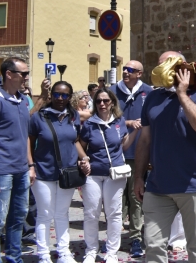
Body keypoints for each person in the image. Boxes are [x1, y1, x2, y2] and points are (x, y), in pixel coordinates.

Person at [133, 51, 196, 263]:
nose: (162, 69)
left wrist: (182, 94)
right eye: (159, 65)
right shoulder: (152, 97)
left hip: (192, 184)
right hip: (159, 185)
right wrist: (139, 177)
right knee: (153, 244)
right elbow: (144, 141)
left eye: (167, 64)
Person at [76, 88, 138, 263]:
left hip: (115, 174)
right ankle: (91, 250)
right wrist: (84, 159)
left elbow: (123, 146)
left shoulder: (119, 121)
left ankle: (111, 252)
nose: (102, 104)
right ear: (94, 104)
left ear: (112, 103)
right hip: (93, 174)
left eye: (106, 101)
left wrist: (134, 132)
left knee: (114, 214)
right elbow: (80, 145)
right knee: (91, 213)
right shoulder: (89, 124)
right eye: (98, 101)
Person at [28, 81, 80, 263]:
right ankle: (43, 255)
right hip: (43, 171)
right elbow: (29, 140)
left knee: (62, 213)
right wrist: (30, 165)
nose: (60, 98)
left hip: (67, 172)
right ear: (51, 95)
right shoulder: (39, 117)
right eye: (57, 94)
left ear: (69, 97)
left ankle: (63, 252)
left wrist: (84, 159)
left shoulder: (73, 116)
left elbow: (76, 141)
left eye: (65, 95)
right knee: (44, 214)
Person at [109, 60, 153, 258]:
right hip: (115, 153)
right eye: (124, 69)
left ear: (140, 73)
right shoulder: (111, 91)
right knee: (115, 200)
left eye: (131, 70)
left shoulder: (149, 92)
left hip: (139, 154)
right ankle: (113, 239)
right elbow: (102, 117)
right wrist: (127, 122)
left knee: (136, 198)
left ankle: (135, 238)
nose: (125, 72)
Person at [0, 57, 32, 263]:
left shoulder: (22, 100)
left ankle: (15, 258)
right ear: (9, 74)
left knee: (18, 217)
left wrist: (30, 165)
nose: (26, 78)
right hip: (0, 170)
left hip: (21, 170)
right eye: (23, 74)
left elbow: (24, 136)